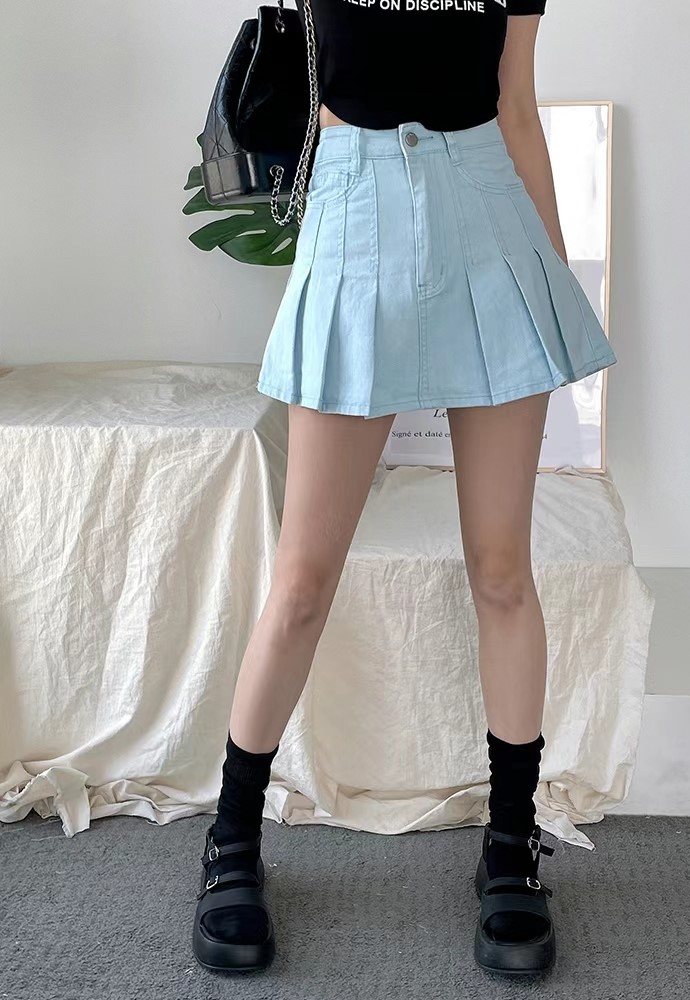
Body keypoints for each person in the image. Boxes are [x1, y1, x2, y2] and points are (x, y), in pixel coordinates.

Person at [192, 0, 617, 978]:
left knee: (502, 570)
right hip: (355, 212)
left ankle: (510, 846)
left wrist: (553, 289)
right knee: (302, 581)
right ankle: (232, 837)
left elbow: (516, 105)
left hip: (488, 212)